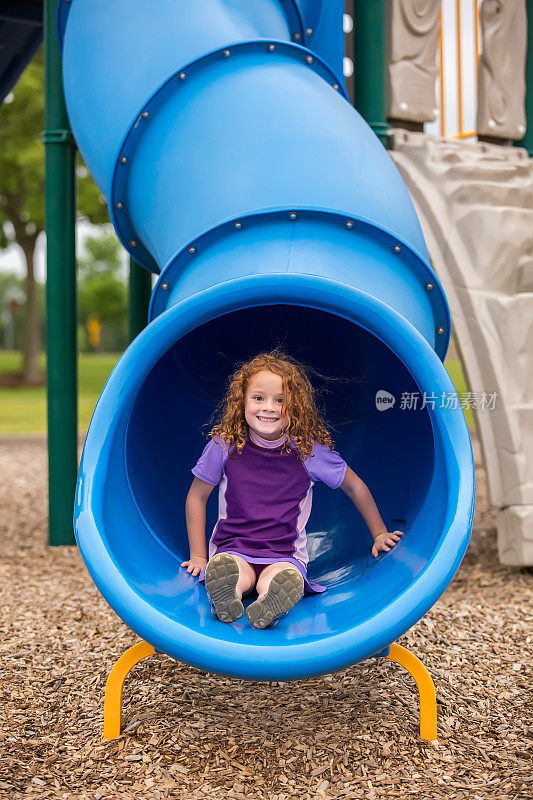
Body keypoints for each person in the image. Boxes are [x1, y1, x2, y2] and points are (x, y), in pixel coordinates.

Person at [181, 350, 403, 629]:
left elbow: (354, 486)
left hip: (284, 554)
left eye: (280, 401)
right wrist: (199, 556)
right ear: (242, 401)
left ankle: (271, 602)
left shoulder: (309, 452)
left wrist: (379, 533)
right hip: (233, 547)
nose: (269, 407)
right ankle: (227, 594)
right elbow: (197, 496)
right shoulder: (224, 446)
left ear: (295, 406)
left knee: (281, 577)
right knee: (233, 571)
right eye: (258, 398)